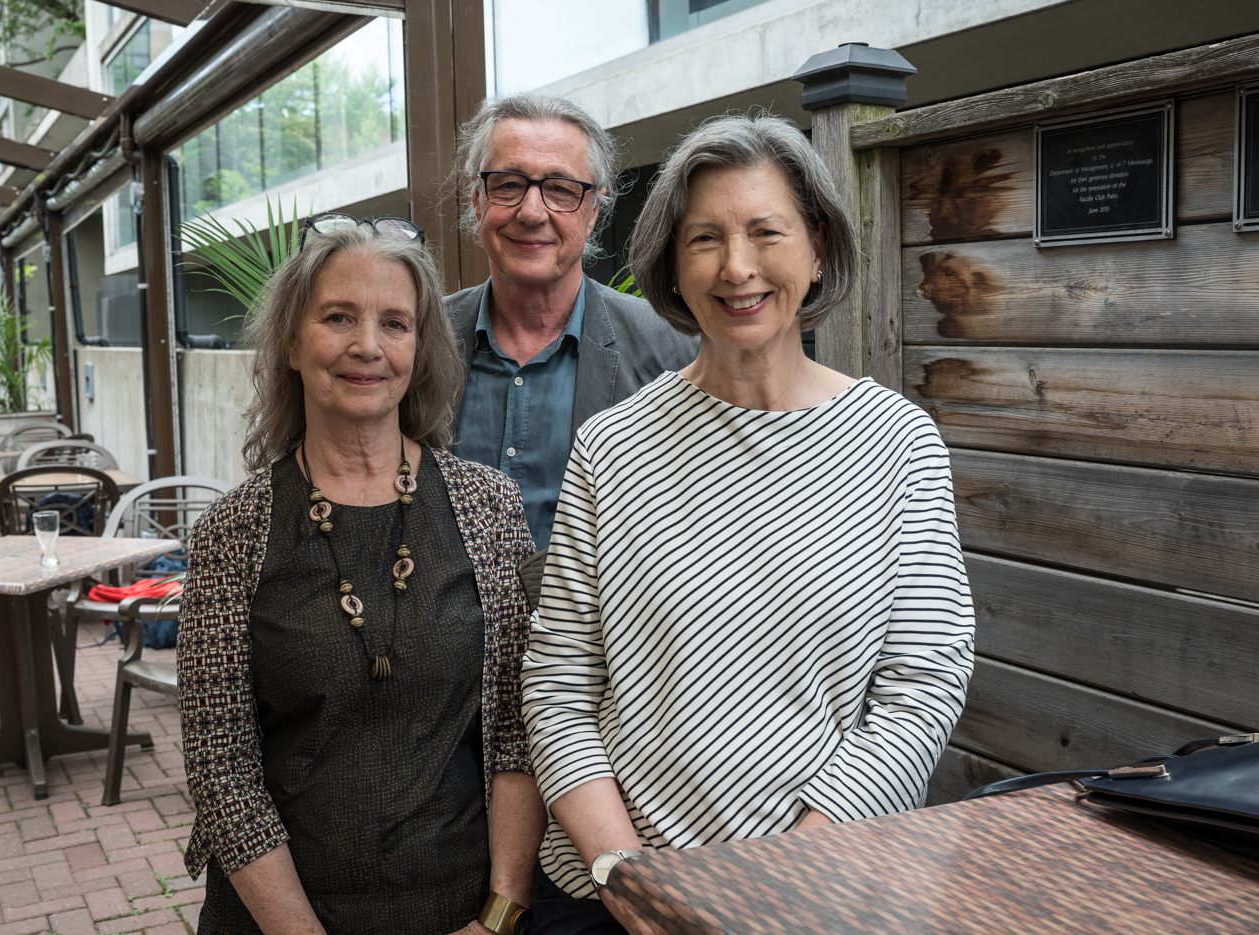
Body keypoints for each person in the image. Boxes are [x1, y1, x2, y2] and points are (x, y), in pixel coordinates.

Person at [521, 114, 976, 935]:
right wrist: (633, 882)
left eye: (766, 232)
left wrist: (788, 879)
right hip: (612, 900)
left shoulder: (896, 442)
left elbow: (922, 685)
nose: (736, 268)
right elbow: (557, 688)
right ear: (670, 260)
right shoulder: (612, 447)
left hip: (824, 886)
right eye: (704, 239)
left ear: (819, 245)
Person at [178, 219, 546, 935]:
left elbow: (517, 729)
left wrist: (501, 913)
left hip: (462, 914)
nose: (367, 346)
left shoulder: (489, 505)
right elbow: (221, 766)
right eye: (338, 317)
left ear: (420, 347)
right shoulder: (234, 531)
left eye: (394, 323)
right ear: (291, 341)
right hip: (278, 918)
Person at [447, 93, 699, 550]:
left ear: (595, 211)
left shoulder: (674, 349)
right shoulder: (422, 339)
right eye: (508, 185)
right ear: (477, 198)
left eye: (561, 189)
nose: (532, 211)